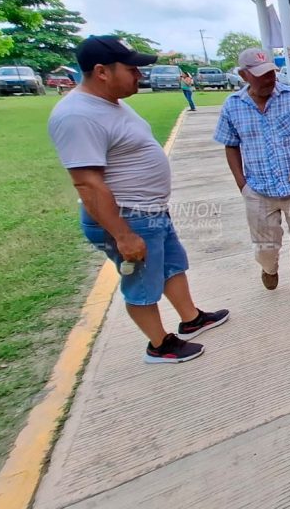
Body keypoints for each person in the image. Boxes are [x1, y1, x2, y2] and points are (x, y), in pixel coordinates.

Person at [48, 35, 229, 364]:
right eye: (132, 69)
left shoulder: (110, 103)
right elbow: (87, 183)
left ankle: (191, 319)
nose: (139, 75)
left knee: (172, 267)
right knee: (142, 284)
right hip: (127, 218)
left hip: (150, 211)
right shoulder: (77, 116)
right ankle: (159, 345)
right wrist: (123, 235)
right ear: (102, 71)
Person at [214, 48, 290, 311]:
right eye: (261, 75)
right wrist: (242, 185)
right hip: (259, 190)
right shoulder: (233, 106)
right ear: (243, 75)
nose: (269, 79)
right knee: (266, 246)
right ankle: (269, 267)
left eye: (271, 74)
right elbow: (230, 145)